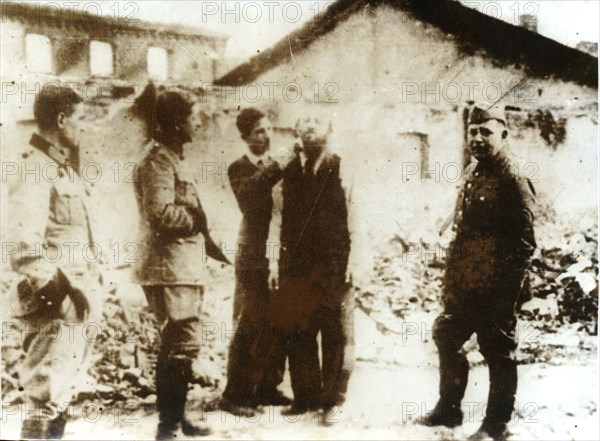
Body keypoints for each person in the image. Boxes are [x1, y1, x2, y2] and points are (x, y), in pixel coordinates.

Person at [419, 104, 536, 441]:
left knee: (497, 350)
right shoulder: (474, 169)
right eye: (473, 132)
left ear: (503, 133)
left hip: (498, 285)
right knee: (446, 333)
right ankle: (449, 409)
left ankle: (497, 426)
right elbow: (463, 223)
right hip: (467, 282)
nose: (479, 138)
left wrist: (507, 296)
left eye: (486, 132)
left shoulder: (513, 175)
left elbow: (524, 244)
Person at [5, 83, 104, 439]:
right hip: (55, 304)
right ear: (62, 119)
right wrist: (61, 298)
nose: (84, 127)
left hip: (75, 302)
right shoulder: (36, 168)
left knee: (61, 395)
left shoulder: (63, 168)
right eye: (80, 119)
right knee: (44, 399)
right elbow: (23, 248)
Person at [133, 88, 226, 440]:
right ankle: (167, 427)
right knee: (179, 345)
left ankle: (178, 417)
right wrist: (195, 219)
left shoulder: (173, 157)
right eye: (193, 116)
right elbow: (159, 214)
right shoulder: (157, 160)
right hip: (168, 268)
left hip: (181, 267)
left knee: (182, 345)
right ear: (175, 122)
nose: (199, 122)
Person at [276, 115, 354, 415]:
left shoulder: (340, 165)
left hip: (333, 261)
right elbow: (280, 216)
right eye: (304, 122)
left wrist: (353, 259)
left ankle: (332, 399)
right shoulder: (291, 168)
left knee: (333, 330)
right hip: (297, 262)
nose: (310, 127)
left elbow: (354, 213)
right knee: (299, 329)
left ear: (329, 129)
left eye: (317, 122)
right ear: (297, 131)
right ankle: (305, 397)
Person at [220, 108, 293, 417]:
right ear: (245, 138)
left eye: (268, 129)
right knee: (249, 322)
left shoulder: (279, 166)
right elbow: (249, 198)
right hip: (252, 254)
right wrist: (276, 166)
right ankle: (234, 394)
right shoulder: (239, 168)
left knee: (276, 321)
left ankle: (267, 386)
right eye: (259, 131)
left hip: (279, 253)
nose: (267, 135)